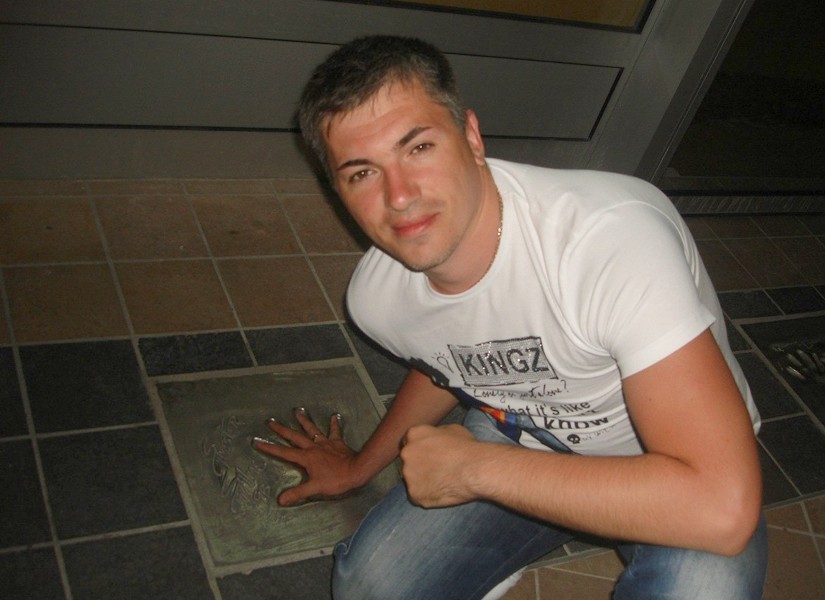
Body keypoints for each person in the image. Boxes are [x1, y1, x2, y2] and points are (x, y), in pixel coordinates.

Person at [254, 35, 768, 599]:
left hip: (668, 464)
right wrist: (359, 467)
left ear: (472, 137)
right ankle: (499, 550)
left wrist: (474, 470)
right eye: (361, 173)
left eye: (418, 147)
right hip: (522, 438)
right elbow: (443, 360)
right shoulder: (377, 299)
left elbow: (719, 507)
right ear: (338, 192)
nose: (399, 196)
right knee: (368, 589)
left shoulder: (608, 241)